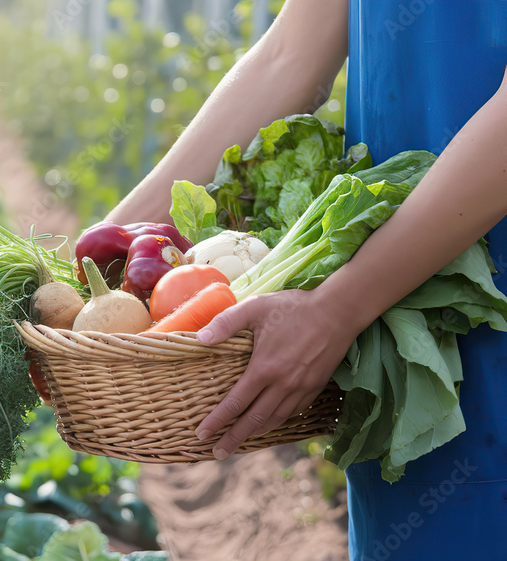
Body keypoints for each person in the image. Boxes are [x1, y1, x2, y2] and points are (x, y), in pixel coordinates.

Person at [105, 1, 507, 559]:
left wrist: (337, 307)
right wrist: (112, 245)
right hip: (389, 310)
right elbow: (291, 54)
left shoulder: (345, 305)